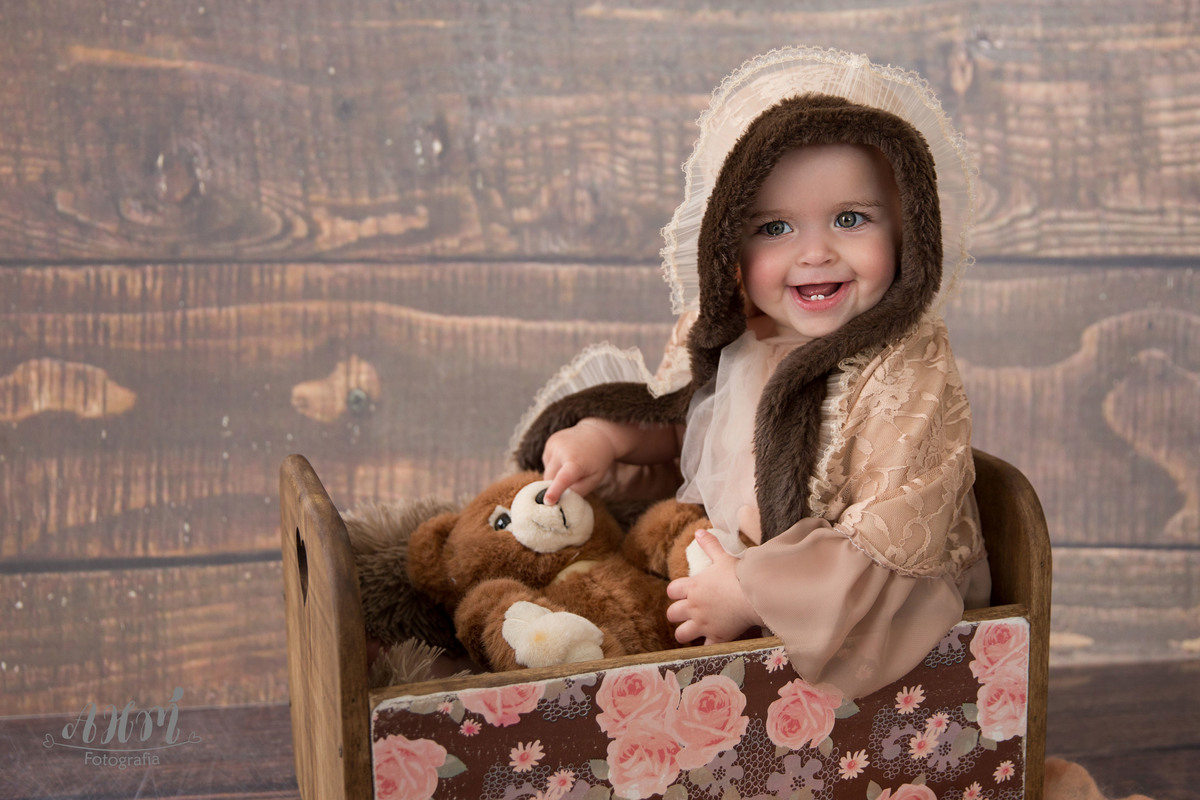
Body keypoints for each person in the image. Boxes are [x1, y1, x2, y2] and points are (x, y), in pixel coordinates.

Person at [509, 47, 990, 699]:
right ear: (728, 242)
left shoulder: (906, 369)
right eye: (775, 227)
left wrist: (746, 592)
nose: (815, 252)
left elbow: (889, 546)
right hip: (718, 575)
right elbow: (692, 433)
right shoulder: (738, 336)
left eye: (850, 218)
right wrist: (606, 439)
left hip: (847, 618)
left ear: (908, 231)